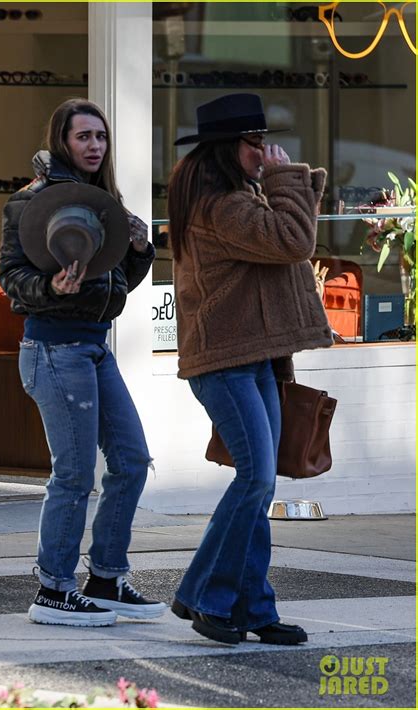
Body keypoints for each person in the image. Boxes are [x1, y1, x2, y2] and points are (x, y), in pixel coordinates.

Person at [167, 93, 333, 645]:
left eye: (263, 143)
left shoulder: (233, 197)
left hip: (251, 356)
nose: (264, 153)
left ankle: (255, 608)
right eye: (255, 144)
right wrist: (289, 182)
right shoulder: (221, 207)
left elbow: (283, 244)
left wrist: (281, 186)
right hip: (226, 363)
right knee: (256, 479)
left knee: (258, 486)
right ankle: (203, 597)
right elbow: (292, 240)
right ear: (228, 148)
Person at [0, 98, 166, 626]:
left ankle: (107, 577)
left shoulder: (103, 201)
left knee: (132, 460)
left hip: (93, 346)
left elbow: (113, 288)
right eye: (83, 137)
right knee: (73, 474)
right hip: (52, 349)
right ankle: (53, 587)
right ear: (61, 141)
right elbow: (11, 280)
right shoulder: (30, 204)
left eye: (101, 136)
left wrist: (139, 252)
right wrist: (49, 286)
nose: (95, 146)